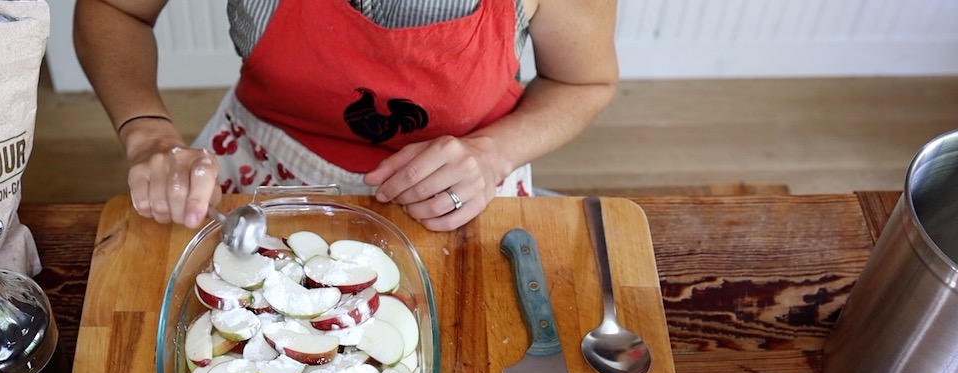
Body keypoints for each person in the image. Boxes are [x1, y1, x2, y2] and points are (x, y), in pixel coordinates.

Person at [73, 0, 619, 231]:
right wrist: (147, 132)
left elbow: (583, 80)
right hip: (261, 166)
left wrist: (493, 152)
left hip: (464, 186)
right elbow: (114, 9)